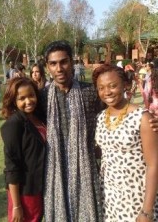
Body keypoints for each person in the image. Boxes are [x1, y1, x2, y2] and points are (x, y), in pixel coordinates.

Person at [42, 40, 103, 221]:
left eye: (64, 62)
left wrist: (146, 119)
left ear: (72, 62)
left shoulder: (90, 92)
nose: (59, 68)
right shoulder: (43, 97)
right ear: (48, 67)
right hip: (56, 168)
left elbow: (113, 113)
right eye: (53, 64)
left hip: (86, 166)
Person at [92, 64, 158, 222]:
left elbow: (154, 164)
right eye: (101, 88)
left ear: (126, 85)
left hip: (136, 197)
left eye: (113, 86)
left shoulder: (142, 118)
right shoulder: (100, 118)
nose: (107, 92)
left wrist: (147, 210)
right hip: (109, 196)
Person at [0, 77, 46, 222]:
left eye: (31, 95)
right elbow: (12, 166)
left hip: (39, 187)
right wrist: (16, 205)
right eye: (22, 98)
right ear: (14, 101)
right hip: (25, 192)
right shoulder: (13, 125)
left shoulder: (38, 117)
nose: (28, 101)